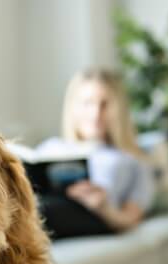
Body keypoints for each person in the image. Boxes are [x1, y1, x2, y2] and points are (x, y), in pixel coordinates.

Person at [38, 68, 155, 239]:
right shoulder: (50, 147)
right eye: (87, 103)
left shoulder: (131, 159)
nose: (95, 114)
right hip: (38, 207)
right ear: (73, 107)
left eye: (105, 104)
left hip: (92, 216)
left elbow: (130, 218)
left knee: (40, 210)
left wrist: (103, 207)